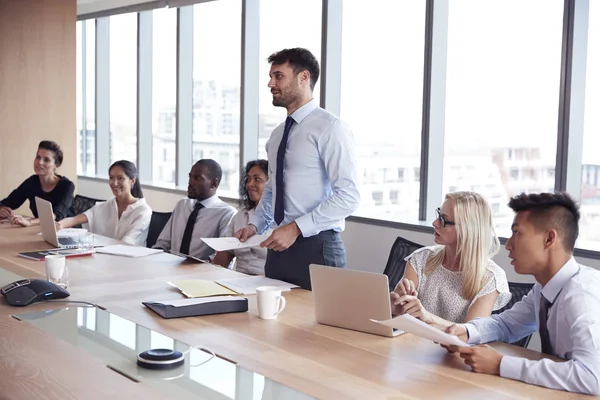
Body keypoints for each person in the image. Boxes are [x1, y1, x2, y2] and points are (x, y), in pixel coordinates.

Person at [445, 192, 600, 395]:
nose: (508, 245)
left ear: (549, 239)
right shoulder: (545, 288)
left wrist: (502, 365)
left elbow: (592, 377)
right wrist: (467, 332)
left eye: (517, 233)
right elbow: (507, 324)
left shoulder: (581, 297)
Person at [235, 48, 360, 290]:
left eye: (279, 76)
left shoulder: (330, 128)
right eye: (271, 76)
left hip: (317, 248)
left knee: (317, 327)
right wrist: (255, 225)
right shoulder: (277, 135)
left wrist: (295, 228)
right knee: (270, 325)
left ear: (304, 78)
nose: (270, 83)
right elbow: (272, 190)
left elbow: (349, 196)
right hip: (279, 247)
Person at [390, 191, 510, 326]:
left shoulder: (491, 278)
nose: (435, 223)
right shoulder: (421, 259)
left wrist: (426, 316)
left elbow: (471, 333)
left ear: (467, 229)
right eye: (438, 215)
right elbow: (399, 317)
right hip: (411, 342)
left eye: (443, 220)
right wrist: (394, 307)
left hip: (451, 347)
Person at [153, 159, 236, 260]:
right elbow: (163, 243)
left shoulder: (226, 213)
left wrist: (191, 267)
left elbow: (221, 256)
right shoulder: (182, 205)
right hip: (171, 266)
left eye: (197, 178)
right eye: (190, 177)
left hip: (202, 272)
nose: (190, 183)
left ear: (214, 183)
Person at [57, 160, 152, 246]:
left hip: (132, 260)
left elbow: (127, 243)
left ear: (132, 181)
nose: (114, 183)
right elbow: (74, 220)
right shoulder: (107, 205)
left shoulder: (143, 211)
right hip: (106, 257)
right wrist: (58, 225)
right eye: (111, 178)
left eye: (120, 178)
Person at [213, 160, 273, 275]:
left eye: (257, 179)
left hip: (267, 284)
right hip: (237, 280)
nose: (250, 184)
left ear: (271, 185)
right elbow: (224, 255)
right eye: (248, 179)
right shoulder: (240, 216)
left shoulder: (283, 220)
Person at [0, 140, 74, 226]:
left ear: (56, 165)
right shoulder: (32, 182)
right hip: (41, 231)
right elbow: (9, 202)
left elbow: (57, 216)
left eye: (46, 160)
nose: (40, 162)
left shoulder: (67, 186)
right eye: (38, 157)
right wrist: (1, 208)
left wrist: (29, 222)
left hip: (67, 233)